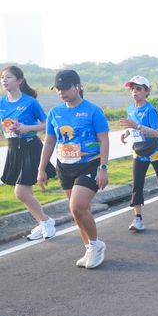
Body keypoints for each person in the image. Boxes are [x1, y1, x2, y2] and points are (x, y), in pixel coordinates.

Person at [38, 70, 110, 268]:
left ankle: (95, 245)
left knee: (77, 206)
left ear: (78, 86)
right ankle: (89, 248)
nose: (61, 92)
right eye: (58, 89)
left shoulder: (93, 111)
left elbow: (104, 140)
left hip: (89, 164)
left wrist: (103, 168)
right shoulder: (55, 112)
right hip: (64, 166)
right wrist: (42, 168)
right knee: (78, 212)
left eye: (66, 88)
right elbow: (49, 142)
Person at [1, 66, 56, 241]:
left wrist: (27, 128)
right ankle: (42, 222)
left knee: (21, 192)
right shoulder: (1, 102)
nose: (4, 80)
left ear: (19, 80)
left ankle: (46, 221)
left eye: (8, 77)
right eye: (2, 77)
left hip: (31, 147)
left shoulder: (30, 102)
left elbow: (47, 124)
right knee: (25, 193)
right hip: (13, 148)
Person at [119, 76, 158, 232]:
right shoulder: (130, 108)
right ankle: (138, 219)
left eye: (139, 88)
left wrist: (137, 127)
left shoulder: (150, 110)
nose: (135, 91)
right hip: (139, 151)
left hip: (155, 150)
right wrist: (126, 133)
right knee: (137, 183)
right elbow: (132, 126)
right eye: (132, 88)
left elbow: (156, 133)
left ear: (147, 91)